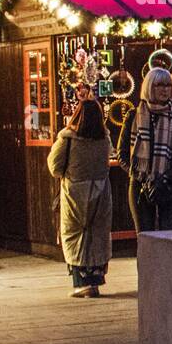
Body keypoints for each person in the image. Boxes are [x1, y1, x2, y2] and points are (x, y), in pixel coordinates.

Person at [48, 99, 113, 297]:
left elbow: (55, 166)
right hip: (100, 191)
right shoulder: (105, 139)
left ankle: (81, 282)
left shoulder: (67, 138)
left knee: (76, 234)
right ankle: (95, 281)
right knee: (97, 235)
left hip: (74, 193)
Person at [117, 67, 172, 232]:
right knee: (145, 239)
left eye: (168, 85)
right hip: (140, 185)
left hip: (170, 185)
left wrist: (166, 178)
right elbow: (123, 154)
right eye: (159, 85)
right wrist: (141, 176)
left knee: (170, 238)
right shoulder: (134, 116)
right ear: (149, 87)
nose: (165, 89)